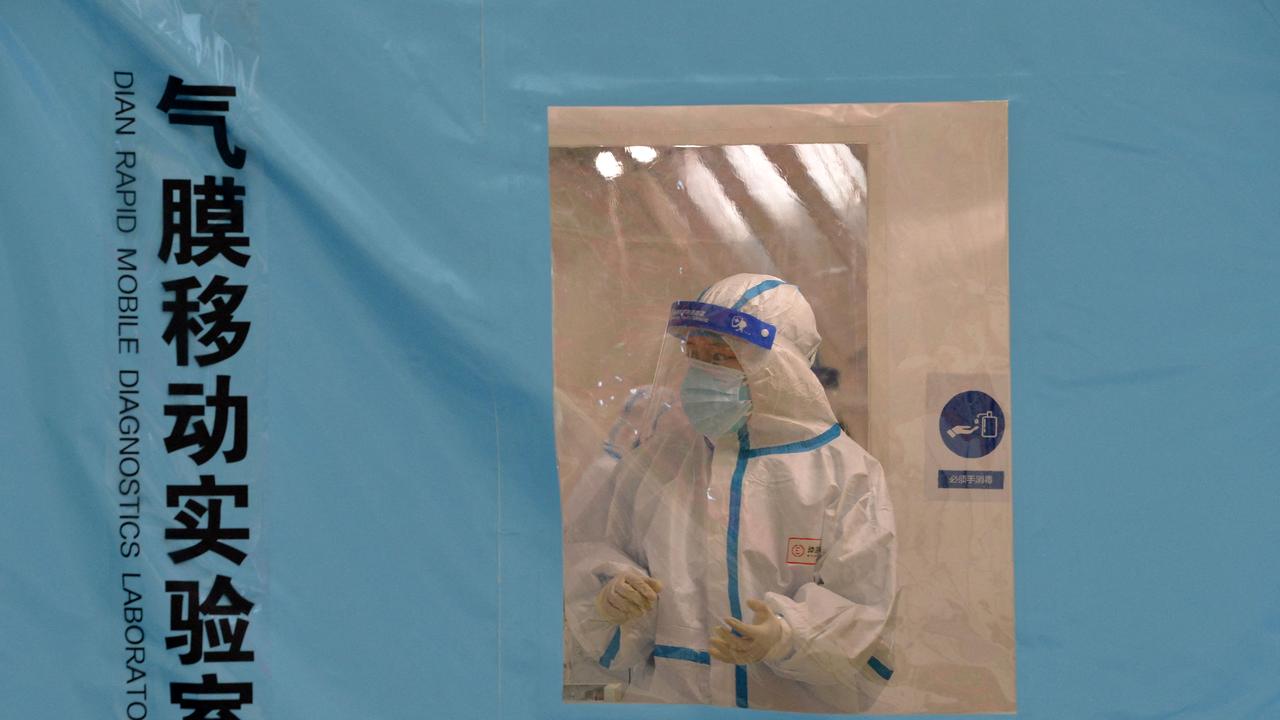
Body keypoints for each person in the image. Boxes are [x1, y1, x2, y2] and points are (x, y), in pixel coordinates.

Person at [563, 273, 897, 713]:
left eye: (722, 357)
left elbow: (865, 604)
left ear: (781, 367)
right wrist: (612, 591)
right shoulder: (659, 462)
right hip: (669, 703)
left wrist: (786, 636)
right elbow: (595, 546)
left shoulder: (843, 473)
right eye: (695, 355)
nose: (702, 373)